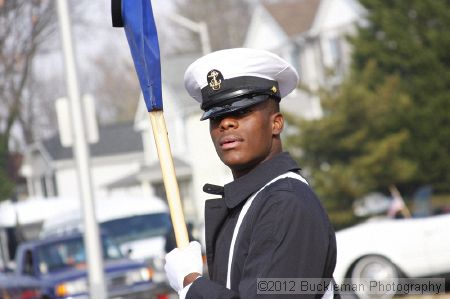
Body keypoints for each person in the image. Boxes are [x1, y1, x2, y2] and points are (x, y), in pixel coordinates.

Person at [164, 48, 339, 299]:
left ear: (276, 123)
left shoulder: (284, 202)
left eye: (242, 111)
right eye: (217, 117)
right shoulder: (252, 201)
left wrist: (192, 284)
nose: (226, 123)